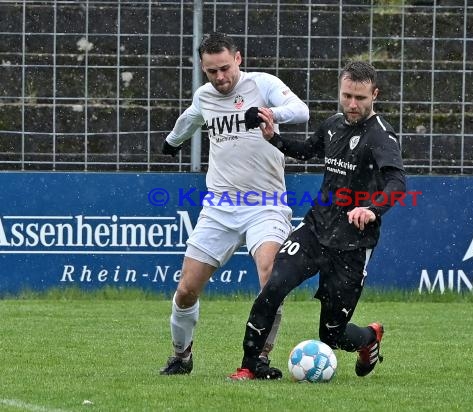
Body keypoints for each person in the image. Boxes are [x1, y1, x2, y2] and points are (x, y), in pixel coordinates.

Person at [229, 61, 406, 380]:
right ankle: (250, 365)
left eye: (361, 98)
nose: (353, 104)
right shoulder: (333, 124)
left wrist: (371, 209)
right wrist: (274, 139)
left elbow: (396, 182)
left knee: (332, 335)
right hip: (314, 231)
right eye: (347, 95)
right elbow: (306, 150)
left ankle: (369, 338)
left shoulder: (381, 136)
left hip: (353, 244)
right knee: (273, 288)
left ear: (374, 95)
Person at [159, 32, 309, 376]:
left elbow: (301, 111)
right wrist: (172, 142)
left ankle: (259, 358)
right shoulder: (205, 96)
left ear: (238, 59)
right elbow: (190, 118)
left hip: (266, 204)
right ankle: (181, 357)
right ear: (203, 68)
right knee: (186, 291)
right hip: (219, 208)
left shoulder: (262, 84)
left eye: (225, 68)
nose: (221, 78)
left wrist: (268, 113)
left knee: (271, 276)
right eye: (212, 72)